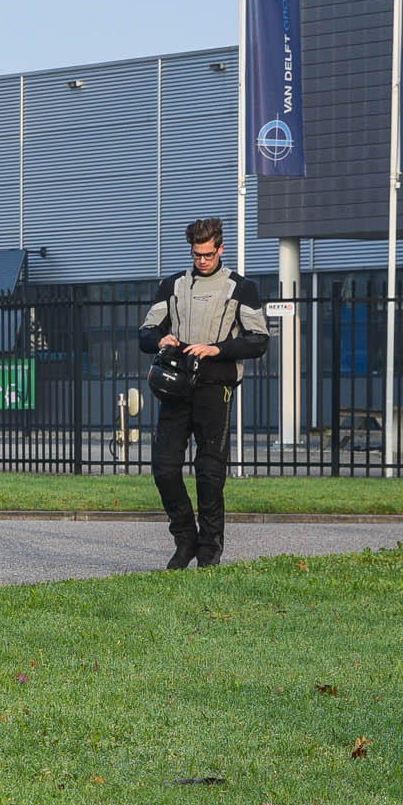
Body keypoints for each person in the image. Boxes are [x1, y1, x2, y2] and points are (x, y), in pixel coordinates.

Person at [140, 217, 269, 570]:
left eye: (209, 254)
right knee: (165, 469)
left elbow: (259, 341)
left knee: (209, 474)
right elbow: (146, 332)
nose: (203, 260)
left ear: (221, 249)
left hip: (216, 389)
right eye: (197, 254)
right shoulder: (173, 286)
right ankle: (185, 538)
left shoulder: (241, 288)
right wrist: (159, 339)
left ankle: (209, 548)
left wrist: (218, 349)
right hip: (176, 389)